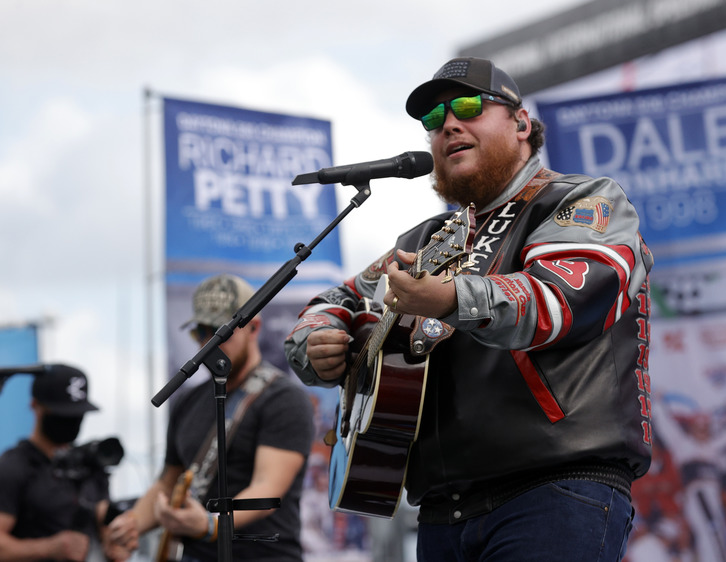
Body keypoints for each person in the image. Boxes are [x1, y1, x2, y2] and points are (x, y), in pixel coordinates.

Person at [284, 57, 654, 561]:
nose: (449, 123)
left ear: (522, 123)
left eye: (468, 105)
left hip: (555, 488)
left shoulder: (581, 200)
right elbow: (336, 299)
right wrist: (318, 343)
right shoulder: (425, 241)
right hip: (441, 511)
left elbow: (561, 301)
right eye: (434, 120)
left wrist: (451, 298)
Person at [107, 273, 315, 561]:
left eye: (220, 330)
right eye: (200, 331)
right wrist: (132, 523)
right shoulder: (187, 399)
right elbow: (169, 482)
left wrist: (210, 524)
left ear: (254, 327)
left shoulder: (284, 399)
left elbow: (267, 490)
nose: (208, 341)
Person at [0, 363, 122, 561]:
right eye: (62, 414)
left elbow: (105, 526)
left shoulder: (89, 465)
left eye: (76, 414)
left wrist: (115, 541)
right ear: (35, 406)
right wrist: (50, 547)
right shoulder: (11, 469)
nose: (70, 421)